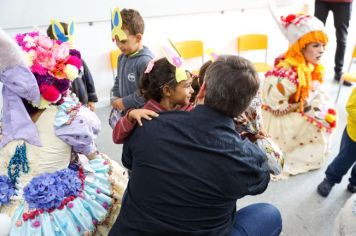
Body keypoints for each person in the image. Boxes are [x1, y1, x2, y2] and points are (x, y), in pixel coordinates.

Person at [109, 55, 282, 236]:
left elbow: (128, 160)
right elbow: (262, 178)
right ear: (244, 107)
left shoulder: (147, 125)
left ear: (202, 89)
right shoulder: (245, 158)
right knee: (269, 214)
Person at [0, 30, 128, 235]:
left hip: (45, 214)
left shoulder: (64, 117)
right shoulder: (66, 115)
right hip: (36, 211)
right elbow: (92, 150)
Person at [262, 13, 337, 177]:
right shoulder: (286, 74)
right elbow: (276, 109)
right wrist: (301, 104)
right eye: (316, 45)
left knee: (323, 106)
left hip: (291, 105)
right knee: (317, 122)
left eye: (323, 45)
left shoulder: (307, 65)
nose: (322, 50)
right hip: (277, 118)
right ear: (301, 47)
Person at [113, 56, 194, 144]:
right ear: (167, 91)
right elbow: (117, 138)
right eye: (187, 86)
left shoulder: (190, 110)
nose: (192, 90)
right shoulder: (145, 115)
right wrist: (129, 117)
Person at [109, 7, 154, 128]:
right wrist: (115, 97)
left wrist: (123, 102)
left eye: (123, 41)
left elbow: (147, 93)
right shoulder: (122, 57)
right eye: (116, 40)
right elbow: (118, 79)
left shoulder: (145, 61)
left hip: (142, 118)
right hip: (126, 113)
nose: (118, 45)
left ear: (138, 38)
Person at [46, 20, 98, 111]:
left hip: (83, 103)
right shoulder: (50, 64)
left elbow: (88, 79)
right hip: (63, 108)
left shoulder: (79, 60)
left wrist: (91, 99)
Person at [317, 87, 356, 197]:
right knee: (344, 159)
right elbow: (351, 107)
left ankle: (354, 182)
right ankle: (330, 179)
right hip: (354, 135)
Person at [314, 0, 353, 86]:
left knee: (341, 38)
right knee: (315, 36)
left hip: (344, 2)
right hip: (322, 1)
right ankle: (312, 69)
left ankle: (338, 72)